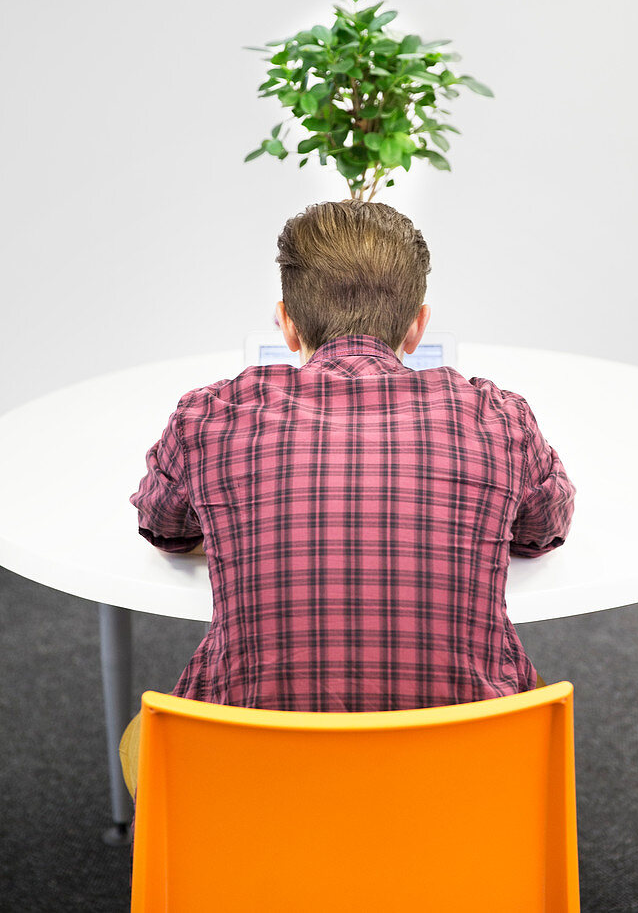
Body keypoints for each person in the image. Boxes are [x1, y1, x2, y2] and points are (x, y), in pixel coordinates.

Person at [121, 200, 575, 794]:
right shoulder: (496, 418)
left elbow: (165, 528)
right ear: (418, 326)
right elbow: (542, 529)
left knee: (140, 738)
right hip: (466, 780)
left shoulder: (211, 416)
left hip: (251, 777)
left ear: (286, 324)